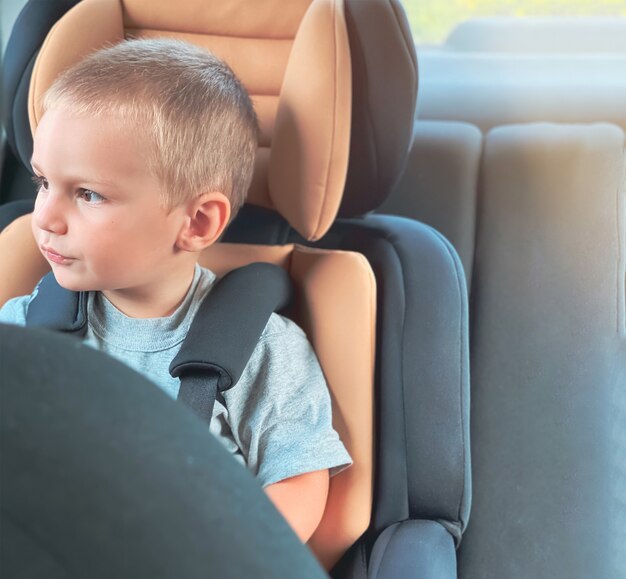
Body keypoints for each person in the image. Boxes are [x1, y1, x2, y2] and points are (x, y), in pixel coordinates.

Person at [0, 38, 351, 543]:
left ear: (198, 222)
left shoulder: (260, 348)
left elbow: (296, 478)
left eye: (88, 194)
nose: (46, 218)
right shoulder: (25, 325)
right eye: (41, 183)